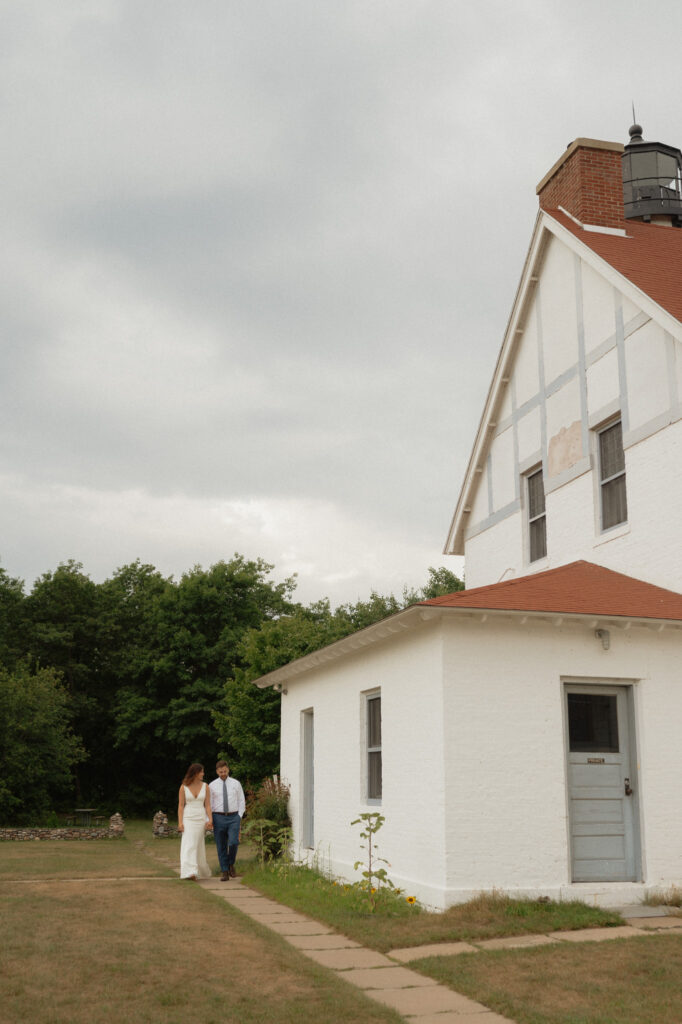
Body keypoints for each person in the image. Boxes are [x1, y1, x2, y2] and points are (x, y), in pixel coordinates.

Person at [208, 759, 245, 881]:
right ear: (217, 772)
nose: (223, 773)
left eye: (224, 771)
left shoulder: (236, 783)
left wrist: (239, 815)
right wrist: (211, 819)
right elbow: (209, 803)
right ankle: (224, 871)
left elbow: (241, 800)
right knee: (221, 845)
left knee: (234, 842)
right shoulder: (212, 785)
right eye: (220, 772)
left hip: (234, 817)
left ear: (228, 769)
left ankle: (231, 863)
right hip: (218, 817)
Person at [178, 762, 213, 880]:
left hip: (200, 818)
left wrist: (210, 820)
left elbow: (208, 805)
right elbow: (181, 806)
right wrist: (180, 823)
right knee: (189, 844)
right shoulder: (183, 787)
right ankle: (190, 871)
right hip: (188, 818)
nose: (203, 774)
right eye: (201, 771)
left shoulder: (206, 786)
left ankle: (198, 869)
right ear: (196, 773)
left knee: (198, 844)